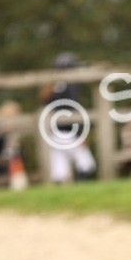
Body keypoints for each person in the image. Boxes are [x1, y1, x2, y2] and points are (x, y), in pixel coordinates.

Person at [39, 53, 97, 185]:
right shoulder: (69, 87)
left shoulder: (54, 87)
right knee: (86, 164)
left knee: (60, 171)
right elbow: (73, 111)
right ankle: (80, 188)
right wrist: (80, 134)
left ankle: (64, 192)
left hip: (54, 133)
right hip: (68, 133)